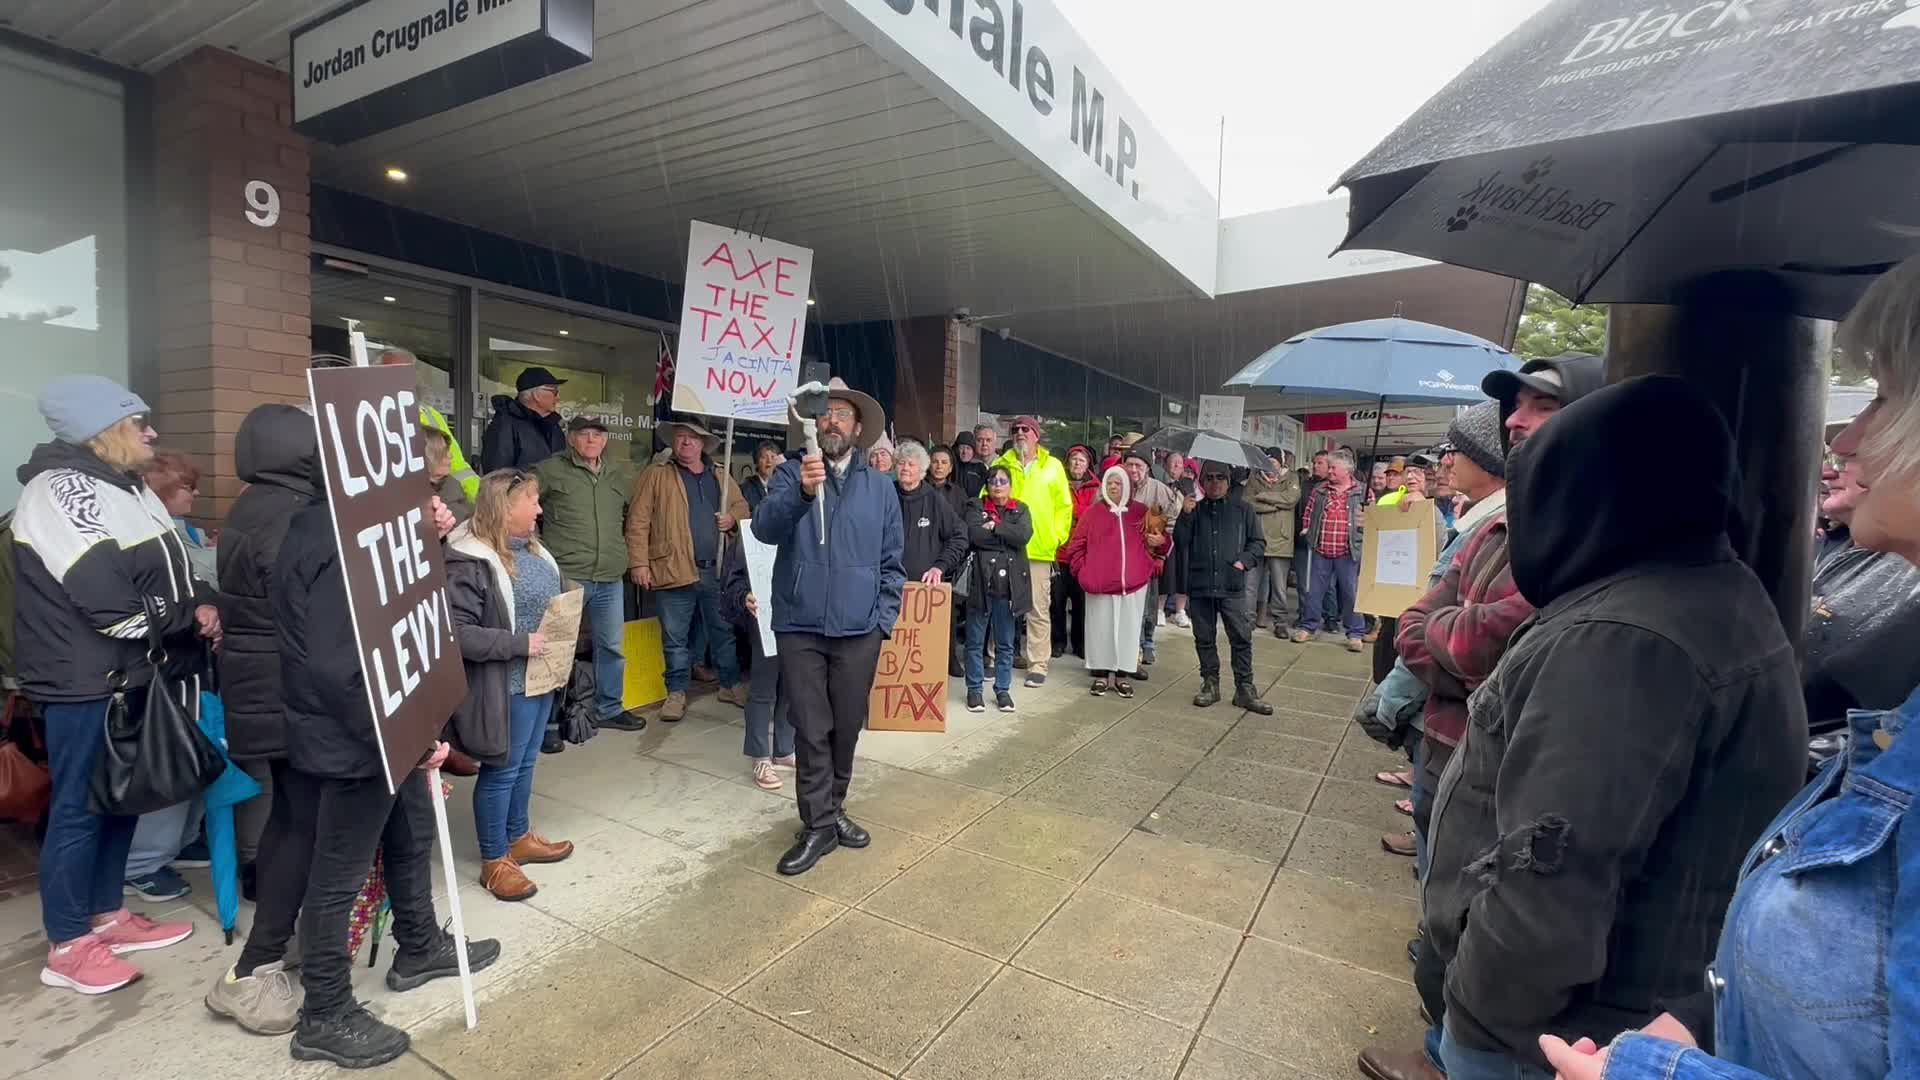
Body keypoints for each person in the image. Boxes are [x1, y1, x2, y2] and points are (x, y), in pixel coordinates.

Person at [1533, 254, 1920, 1080]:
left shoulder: (1642, 632)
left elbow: (1561, 854)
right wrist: (1709, 1021)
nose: (1848, 438)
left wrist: (1648, 1073)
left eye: (1886, 395)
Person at [1406, 377, 1807, 1080]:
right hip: (1598, 1008)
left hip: (1552, 1032)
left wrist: (1480, 1013)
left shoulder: (1624, 639)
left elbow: (1555, 871)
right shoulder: (1684, 590)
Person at [258, 487, 502, 1065]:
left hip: (385, 731)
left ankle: (418, 945)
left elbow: (401, 617)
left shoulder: (355, 527)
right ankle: (325, 1012)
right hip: (359, 738)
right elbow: (342, 663)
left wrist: (426, 540)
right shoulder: (336, 539)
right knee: (336, 876)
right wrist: (407, 736)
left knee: (410, 839)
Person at [14, 376, 211, 995]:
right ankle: (68, 944)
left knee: (123, 798)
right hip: (86, 683)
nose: (151, 431)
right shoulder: (60, 492)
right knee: (77, 810)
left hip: (132, 676)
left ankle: (107, 915)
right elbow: (116, 610)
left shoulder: (126, 486)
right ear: (99, 433)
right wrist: (194, 617)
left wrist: (200, 602)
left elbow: (172, 577)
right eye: (137, 422)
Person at [750, 379, 903, 877]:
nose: (833, 420)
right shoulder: (790, 474)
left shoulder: (881, 487)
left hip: (859, 631)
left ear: (858, 429)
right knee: (811, 730)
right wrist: (801, 491)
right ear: (813, 423)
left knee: (845, 728)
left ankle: (833, 809)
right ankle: (817, 824)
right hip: (801, 626)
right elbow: (765, 528)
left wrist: (881, 622)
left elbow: (892, 565)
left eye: (842, 414)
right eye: (826, 413)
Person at [447, 471, 575, 902]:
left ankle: (519, 836)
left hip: (539, 681)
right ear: (505, 507)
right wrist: (520, 644)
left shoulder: (532, 550)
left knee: (525, 765)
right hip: (504, 685)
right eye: (532, 501)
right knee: (501, 772)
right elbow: (457, 632)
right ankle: (494, 860)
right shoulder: (469, 560)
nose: (539, 509)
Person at [216, 404, 319, 900]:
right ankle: (271, 879)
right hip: (282, 668)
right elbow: (303, 601)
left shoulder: (252, 501)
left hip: (253, 664)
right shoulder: (290, 514)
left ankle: (260, 870)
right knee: (290, 792)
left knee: (269, 781)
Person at [119, 449, 217, 901]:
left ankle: (179, 843)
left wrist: (209, 607)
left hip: (187, 666)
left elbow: (193, 588)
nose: (195, 494)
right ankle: (142, 864)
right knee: (167, 763)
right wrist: (195, 614)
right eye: (187, 487)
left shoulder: (175, 533)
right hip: (161, 669)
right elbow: (144, 607)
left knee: (192, 759)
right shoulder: (143, 537)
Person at [626, 418, 750, 721]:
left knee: (723, 632)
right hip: (672, 567)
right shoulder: (656, 474)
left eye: (693, 438)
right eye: (681, 437)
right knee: (675, 638)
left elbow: (743, 506)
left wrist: (732, 519)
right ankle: (677, 692)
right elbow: (638, 520)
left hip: (715, 570)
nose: (686, 443)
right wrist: (639, 563)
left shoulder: (719, 475)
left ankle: (730, 684)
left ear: (703, 444)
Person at [534, 415, 642, 734]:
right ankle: (548, 721)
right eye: (584, 435)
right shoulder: (549, 470)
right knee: (556, 647)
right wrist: (535, 548)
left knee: (611, 646)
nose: (591, 440)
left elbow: (631, 516)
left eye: (597, 435)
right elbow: (520, 504)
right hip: (569, 574)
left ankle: (609, 708)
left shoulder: (617, 476)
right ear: (571, 439)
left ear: (605, 441)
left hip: (609, 576)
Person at [1063, 465, 1168, 698]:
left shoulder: (1140, 512)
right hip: (1099, 584)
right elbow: (1076, 547)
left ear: (1127, 486)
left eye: (1118, 483)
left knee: (1128, 631)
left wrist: (1157, 546)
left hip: (1133, 584)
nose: (1113, 486)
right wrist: (1084, 571)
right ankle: (1100, 674)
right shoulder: (1093, 513)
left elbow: (1161, 542)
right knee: (1100, 629)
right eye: (1109, 482)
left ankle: (1122, 675)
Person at [1177, 462, 1273, 714]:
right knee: (1204, 638)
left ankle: (1245, 688)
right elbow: (1180, 540)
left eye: (1221, 477)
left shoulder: (1243, 510)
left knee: (1241, 638)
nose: (1215, 482)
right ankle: (1210, 684)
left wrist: (1244, 561)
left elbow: (1258, 542)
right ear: (1202, 482)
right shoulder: (1194, 510)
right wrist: (1184, 515)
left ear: (1229, 482)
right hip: (1201, 585)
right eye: (1209, 478)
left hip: (1232, 585)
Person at [990, 415, 1074, 687]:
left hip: (1039, 548)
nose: (1020, 433)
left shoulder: (1053, 466)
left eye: (1026, 429)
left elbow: (1064, 506)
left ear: (1037, 434)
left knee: (1038, 609)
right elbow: (986, 497)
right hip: (1004, 545)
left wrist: (1057, 536)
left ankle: (1038, 663)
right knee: (1000, 604)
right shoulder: (1001, 463)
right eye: (1015, 430)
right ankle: (994, 656)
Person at [719, 519, 794, 791]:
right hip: (764, 616)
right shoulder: (752, 531)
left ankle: (785, 748)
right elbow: (733, 577)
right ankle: (760, 755)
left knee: (792, 685)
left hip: (800, 616)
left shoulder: (809, 521)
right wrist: (743, 596)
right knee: (763, 687)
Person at [962, 464, 1034, 714]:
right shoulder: (975, 506)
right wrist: (1004, 537)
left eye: (1003, 480)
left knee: (1005, 643)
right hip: (981, 583)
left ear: (1010, 485)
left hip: (1009, 586)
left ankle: (1003, 691)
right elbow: (973, 535)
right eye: (993, 480)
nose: (998, 484)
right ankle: (974, 690)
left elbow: (1024, 535)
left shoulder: (1021, 508)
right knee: (974, 641)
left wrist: (995, 527)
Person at [379, 346, 478, 500]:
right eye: (394, 373)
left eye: (408, 373)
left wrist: (483, 500)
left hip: (441, 503)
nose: (403, 379)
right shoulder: (367, 418)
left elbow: (458, 466)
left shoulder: (430, 414)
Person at [1293, 448, 1368, 651]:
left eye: (1334, 467)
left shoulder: (1362, 491)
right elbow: (1308, 511)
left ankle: (1355, 633)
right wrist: (1308, 530)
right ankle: (1308, 627)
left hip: (1348, 551)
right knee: (1313, 591)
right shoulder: (1320, 490)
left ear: (1347, 470)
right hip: (1320, 549)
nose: (1330, 471)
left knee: (1351, 593)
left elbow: (1371, 518)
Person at [1125, 449, 1184, 674]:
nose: (1134, 470)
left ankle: (1148, 642)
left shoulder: (1160, 490)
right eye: (1130, 465)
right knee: (1130, 607)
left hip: (1149, 555)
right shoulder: (1117, 484)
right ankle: (1133, 646)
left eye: (1139, 465)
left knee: (1149, 604)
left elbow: (1173, 519)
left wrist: (1161, 547)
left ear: (1148, 468)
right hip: (1123, 556)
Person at [895, 438, 968, 585]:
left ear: (921, 469)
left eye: (911, 464)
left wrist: (940, 566)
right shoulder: (887, 494)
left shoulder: (934, 499)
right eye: (901, 463)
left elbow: (959, 536)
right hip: (889, 584)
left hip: (925, 586)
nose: (905, 468)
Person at [1242, 447, 1299, 636]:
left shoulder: (1291, 478)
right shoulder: (1254, 477)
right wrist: (1275, 506)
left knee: (1279, 587)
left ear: (1281, 463)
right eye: (1266, 461)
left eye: (1273, 462)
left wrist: (1264, 496)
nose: (1269, 465)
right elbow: (1247, 502)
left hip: (1281, 540)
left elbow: (1291, 499)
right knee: (1250, 584)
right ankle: (1247, 620)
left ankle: (1280, 623)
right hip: (1256, 539)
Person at [1051, 444, 1100, 658]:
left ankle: (1080, 644)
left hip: (1083, 554)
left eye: (1081, 460)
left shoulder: (1097, 487)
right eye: (1073, 460)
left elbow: (1094, 515)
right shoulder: (1059, 483)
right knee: (1057, 601)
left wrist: (1073, 511)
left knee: (1081, 603)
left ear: (1088, 463)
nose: (1076, 464)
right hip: (1060, 551)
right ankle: (1058, 642)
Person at [480, 365, 566, 472]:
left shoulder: (554, 426)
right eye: (554, 392)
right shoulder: (504, 425)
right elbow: (497, 477)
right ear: (536, 395)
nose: (558, 398)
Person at [421, 428, 472, 524]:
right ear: (428, 456)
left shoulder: (450, 482)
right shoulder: (416, 498)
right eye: (443, 452)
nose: (450, 456)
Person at [928, 444, 968, 519]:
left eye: (944, 462)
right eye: (935, 462)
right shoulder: (920, 489)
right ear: (929, 466)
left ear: (950, 468)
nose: (939, 466)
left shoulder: (959, 493)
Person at [742, 439, 783, 513]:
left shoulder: (783, 484)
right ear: (757, 461)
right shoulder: (747, 487)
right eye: (764, 457)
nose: (769, 461)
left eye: (773, 457)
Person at [951, 430, 987, 501]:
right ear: (956, 449)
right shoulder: (951, 466)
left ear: (973, 451)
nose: (965, 452)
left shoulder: (980, 468)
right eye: (961, 448)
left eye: (968, 448)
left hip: (973, 507)